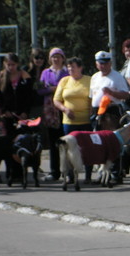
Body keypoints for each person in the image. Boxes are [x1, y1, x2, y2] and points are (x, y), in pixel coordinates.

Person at [0, 53, 33, 182]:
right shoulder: (1, 77)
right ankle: (9, 172)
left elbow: (28, 96)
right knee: (7, 144)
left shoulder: (24, 76)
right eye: (8, 64)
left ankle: (19, 173)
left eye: (13, 64)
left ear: (17, 64)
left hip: (21, 115)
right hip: (7, 115)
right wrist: (4, 110)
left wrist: (25, 112)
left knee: (21, 143)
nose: (11, 67)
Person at [53, 57, 92, 181]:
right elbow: (56, 100)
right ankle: (70, 175)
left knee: (87, 148)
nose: (70, 69)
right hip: (69, 122)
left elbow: (93, 97)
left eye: (73, 66)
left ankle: (88, 175)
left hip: (86, 121)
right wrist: (65, 109)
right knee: (69, 148)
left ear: (80, 68)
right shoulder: (64, 81)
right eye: (68, 67)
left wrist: (91, 112)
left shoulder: (89, 80)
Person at [40, 48, 68, 181]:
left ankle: (67, 170)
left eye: (58, 57)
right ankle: (54, 171)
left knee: (66, 141)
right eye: (53, 57)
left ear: (63, 58)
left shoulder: (67, 72)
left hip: (64, 108)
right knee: (53, 142)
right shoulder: (46, 72)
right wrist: (50, 89)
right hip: (50, 110)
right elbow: (39, 90)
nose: (56, 59)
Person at [90, 50, 130, 128]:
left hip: (111, 112)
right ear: (96, 64)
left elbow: (126, 95)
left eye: (106, 63)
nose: (104, 66)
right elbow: (91, 97)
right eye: (101, 64)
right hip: (97, 112)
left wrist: (111, 93)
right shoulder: (94, 77)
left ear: (110, 63)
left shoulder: (117, 76)